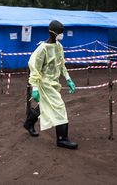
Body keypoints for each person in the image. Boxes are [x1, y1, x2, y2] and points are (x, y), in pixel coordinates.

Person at [23, 20, 78, 149]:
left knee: (45, 105)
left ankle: (29, 123)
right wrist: (35, 88)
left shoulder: (59, 46)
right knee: (59, 107)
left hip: (54, 83)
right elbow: (35, 69)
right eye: (60, 32)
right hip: (44, 83)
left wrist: (68, 79)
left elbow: (61, 64)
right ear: (53, 32)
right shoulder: (42, 49)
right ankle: (62, 139)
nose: (61, 35)